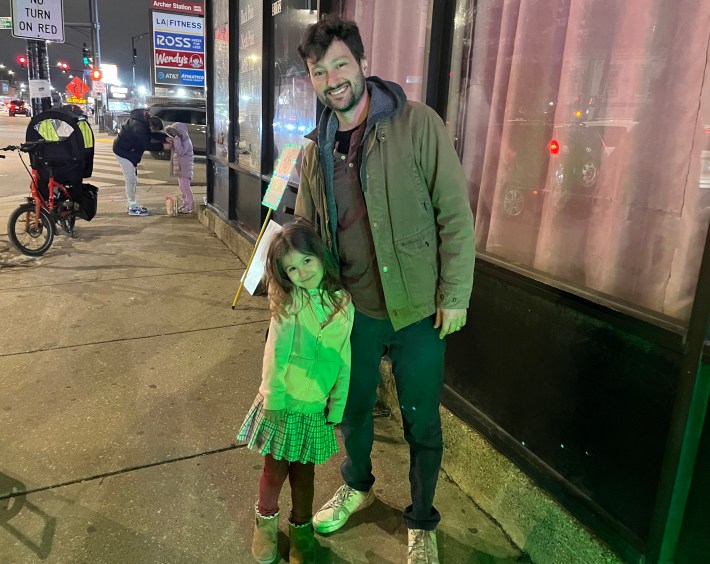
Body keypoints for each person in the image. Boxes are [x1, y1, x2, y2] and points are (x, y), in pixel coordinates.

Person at [294, 15, 475, 564]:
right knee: (352, 411)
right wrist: (299, 293)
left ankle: (422, 518)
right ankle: (358, 484)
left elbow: (454, 214)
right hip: (354, 312)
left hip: (419, 309)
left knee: (422, 421)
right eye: (319, 71)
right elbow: (305, 232)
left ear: (363, 64)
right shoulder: (314, 150)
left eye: (340, 65)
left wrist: (455, 294)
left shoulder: (418, 124)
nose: (332, 80)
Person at [235, 220, 355, 564]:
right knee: (274, 471)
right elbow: (275, 352)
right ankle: (265, 525)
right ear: (284, 274)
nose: (302, 272)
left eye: (306, 261)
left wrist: (337, 404)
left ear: (320, 257)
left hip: (315, 408)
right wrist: (272, 397)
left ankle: (301, 529)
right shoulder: (288, 302)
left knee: (305, 476)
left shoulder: (343, 303)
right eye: (291, 268)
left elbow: (344, 358)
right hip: (283, 404)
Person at [112, 109, 170, 216]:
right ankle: (132, 207)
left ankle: (131, 203)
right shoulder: (139, 127)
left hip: (128, 150)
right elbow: (147, 145)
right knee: (130, 179)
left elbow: (151, 133)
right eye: (154, 130)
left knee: (133, 178)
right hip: (123, 152)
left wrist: (165, 138)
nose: (153, 132)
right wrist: (163, 146)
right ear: (151, 126)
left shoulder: (144, 121)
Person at [165, 122, 195, 213]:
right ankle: (186, 203)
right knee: (182, 187)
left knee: (186, 187)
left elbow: (180, 152)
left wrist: (176, 139)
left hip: (185, 168)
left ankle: (190, 205)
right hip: (180, 168)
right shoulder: (179, 140)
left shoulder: (186, 141)